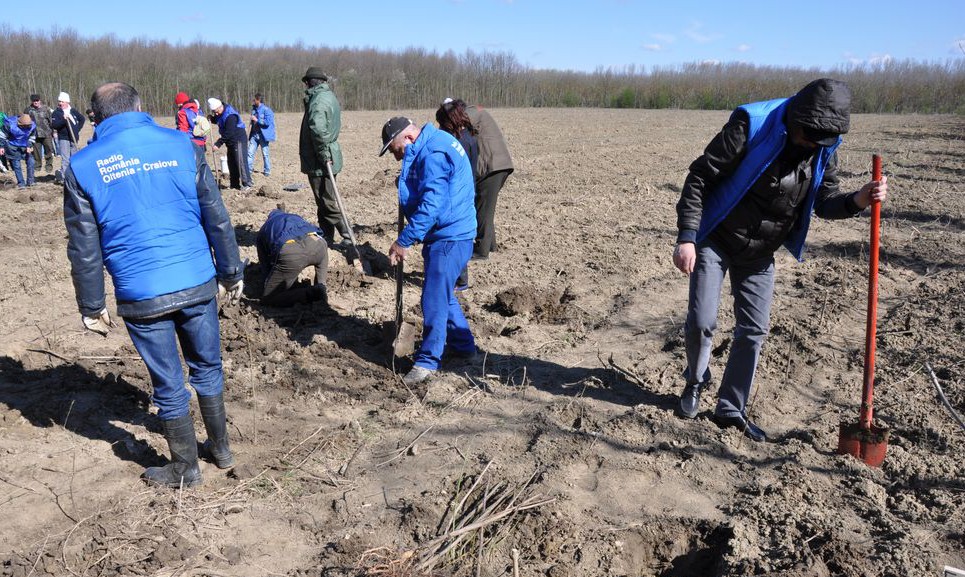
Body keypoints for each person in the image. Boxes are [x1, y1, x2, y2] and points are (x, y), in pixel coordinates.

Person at [672, 78, 889, 442]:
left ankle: (730, 408)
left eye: (821, 142)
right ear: (795, 119)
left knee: (753, 330)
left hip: (760, 251)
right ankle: (695, 381)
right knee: (701, 321)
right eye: (807, 137)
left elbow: (824, 201)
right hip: (718, 237)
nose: (811, 147)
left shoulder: (822, 143)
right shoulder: (751, 124)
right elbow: (699, 177)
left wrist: (858, 201)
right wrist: (687, 238)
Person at [63, 82, 244, 488]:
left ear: (95, 117)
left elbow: (84, 248)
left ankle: (186, 467)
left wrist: (92, 306)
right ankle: (221, 448)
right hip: (197, 281)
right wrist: (231, 271)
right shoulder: (181, 145)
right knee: (208, 367)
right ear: (139, 106)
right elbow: (216, 215)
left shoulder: (82, 165)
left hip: (141, 292)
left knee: (168, 382)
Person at [380, 116, 477, 385]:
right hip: (453, 233)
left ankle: (427, 363)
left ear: (409, 138)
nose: (396, 157)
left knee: (433, 299)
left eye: (395, 150)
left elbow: (433, 205)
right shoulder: (435, 142)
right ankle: (465, 347)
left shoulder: (433, 153)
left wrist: (404, 240)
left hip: (450, 237)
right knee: (443, 295)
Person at [443, 98, 514, 260]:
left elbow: (457, 129)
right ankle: (490, 245)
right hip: (495, 165)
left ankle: (482, 251)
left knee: (483, 208)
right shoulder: (473, 112)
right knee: (484, 207)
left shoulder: (471, 112)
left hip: (492, 166)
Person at [299, 67, 351, 247]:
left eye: (306, 82)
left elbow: (318, 130)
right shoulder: (326, 97)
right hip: (326, 155)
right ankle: (326, 236)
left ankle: (348, 235)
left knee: (326, 201)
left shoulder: (318, 101)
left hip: (320, 159)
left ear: (311, 82)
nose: (305, 86)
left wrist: (322, 154)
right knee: (322, 200)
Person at [435, 100, 479, 291]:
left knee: (455, 235)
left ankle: (459, 280)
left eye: (442, 123)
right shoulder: (468, 135)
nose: (439, 127)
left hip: (459, 193)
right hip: (467, 191)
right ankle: (459, 279)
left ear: (450, 121)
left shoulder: (459, 141)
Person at [256, 207, 329, 307]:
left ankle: (310, 294)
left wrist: (269, 286)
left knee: (268, 298)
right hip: (319, 244)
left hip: (291, 253)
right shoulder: (294, 217)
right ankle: (321, 289)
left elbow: (266, 267)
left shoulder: (264, 229)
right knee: (321, 285)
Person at [207, 97, 252, 190]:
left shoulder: (230, 116)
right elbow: (219, 119)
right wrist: (212, 119)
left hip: (238, 139)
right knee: (231, 163)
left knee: (240, 162)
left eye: (216, 111)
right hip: (230, 142)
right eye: (213, 112)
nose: (215, 114)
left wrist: (218, 144)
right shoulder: (221, 112)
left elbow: (229, 133)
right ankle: (234, 184)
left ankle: (247, 184)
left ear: (220, 107)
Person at [50, 91, 85, 184]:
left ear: (67, 102)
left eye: (62, 101)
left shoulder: (72, 111)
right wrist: (64, 120)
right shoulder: (56, 113)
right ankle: (66, 179)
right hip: (64, 138)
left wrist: (77, 129)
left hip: (74, 138)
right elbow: (54, 125)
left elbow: (82, 119)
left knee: (75, 158)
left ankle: (75, 176)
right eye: (59, 101)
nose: (60, 103)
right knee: (65, 158)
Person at [1, 114, 37, 187]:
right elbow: (2, 136)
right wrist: (1, 146)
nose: (26, 128)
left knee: (31, 162)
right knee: (16, 164)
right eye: (24, 126)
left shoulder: (32, 126)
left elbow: (32, 137)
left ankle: (30, 181)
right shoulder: (9, 124)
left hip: (25, 145)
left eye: (27, 126)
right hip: (12, 145)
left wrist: (29, 145)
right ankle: (21, 183)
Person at [24, 94, 55, 173]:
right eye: (34, 101)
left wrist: (54, 131)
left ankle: (49, 165)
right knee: (36, 152)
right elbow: (25, 121)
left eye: (37, 100)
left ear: (40, 100)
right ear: (32, 101)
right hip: (34, 134)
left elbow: (51, 121)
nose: (36, 102)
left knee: (48, 150)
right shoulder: (28, 110)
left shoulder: (46, 109)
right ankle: (37, 166)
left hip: (46, 133)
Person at [247, 93, 276, 177]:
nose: (253, 101)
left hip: (263, 136)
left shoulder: (267, 110)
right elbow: (252, 122)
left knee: (265, 154)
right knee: (250, 153)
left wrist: (257, 119)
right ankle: (249, 170)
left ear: (258, 100)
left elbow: (267, 123)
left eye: (254, 100)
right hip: (254, 135)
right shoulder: (253, 110)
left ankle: (267, 171)